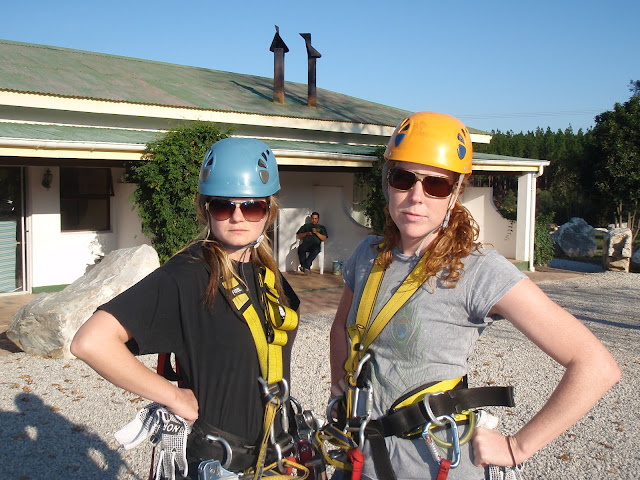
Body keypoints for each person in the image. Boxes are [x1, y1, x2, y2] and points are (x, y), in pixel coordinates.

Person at [328, 112, 620, 479]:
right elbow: (341, 327)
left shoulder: (478, 271)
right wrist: (340, 389)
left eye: (436, 185)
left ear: (455, 193)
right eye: (403, 179)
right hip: (360, 459)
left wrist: (518, 446)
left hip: (433, 466)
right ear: (388, 182)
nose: (416, 197)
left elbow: (595, 366)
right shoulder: (368, 254)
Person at [71, 138, 301, 479]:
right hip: (221, 464)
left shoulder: (269, 275)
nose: (237, 217)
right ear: (206, 209)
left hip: (275, 456)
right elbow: (91, 342)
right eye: (223, 206)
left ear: (269, 211)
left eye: (252, 206)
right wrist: (174, 397)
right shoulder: (188, 274)